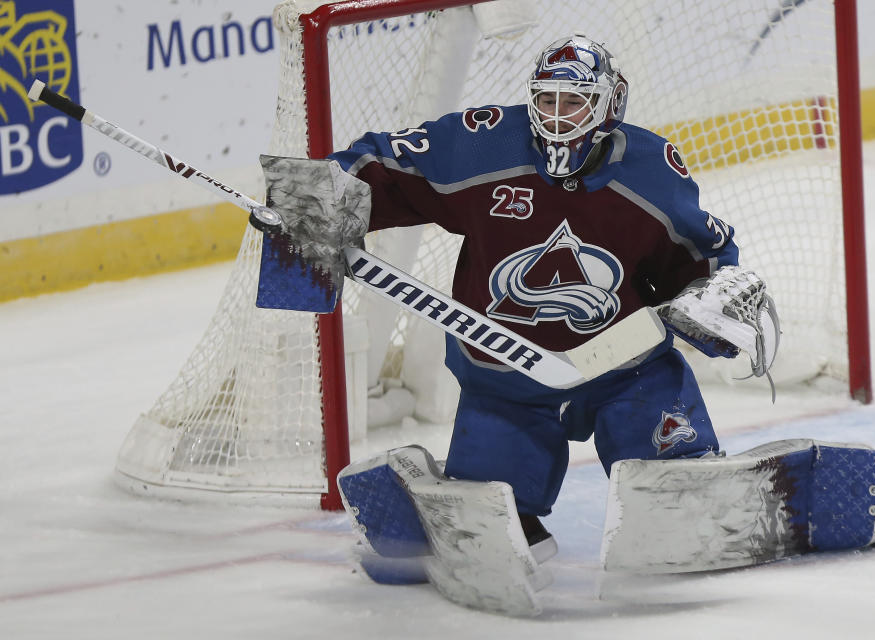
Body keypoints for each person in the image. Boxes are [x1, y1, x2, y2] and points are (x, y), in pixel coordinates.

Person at [263, 35, 779, 562]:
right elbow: (392, 164)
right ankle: (484, 514)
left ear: (610, 104)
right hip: (504, 376)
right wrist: (313, 201)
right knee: (488, 527)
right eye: (547, 99)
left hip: (627, 371)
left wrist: (712, 301)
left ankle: (698, 495)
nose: (558, 116)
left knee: (681, 507)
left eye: (575, 100)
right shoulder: (484, 143)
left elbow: (698, 257)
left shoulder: (651, 170)